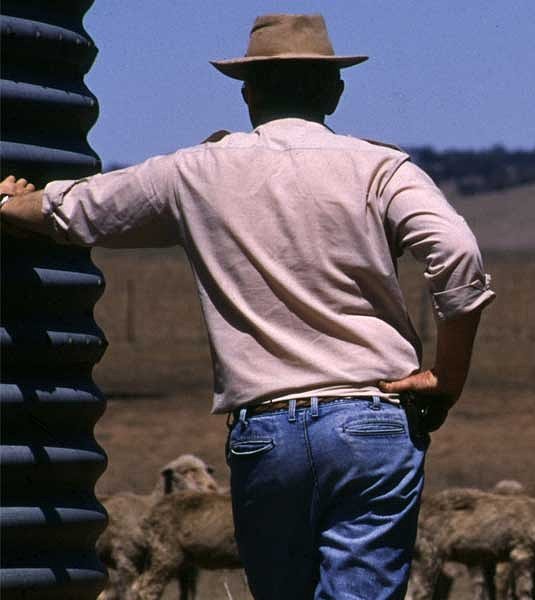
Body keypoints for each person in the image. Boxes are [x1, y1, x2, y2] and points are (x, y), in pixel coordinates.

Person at [0, 14, 492, 599]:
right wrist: (448, 375)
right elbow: (457, 253)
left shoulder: (195, 173)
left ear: (247, 91)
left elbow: (77, 211)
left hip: (267, 430)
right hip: (372, 417)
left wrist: (13, 204)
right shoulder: (380, 168)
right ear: (335, 90)